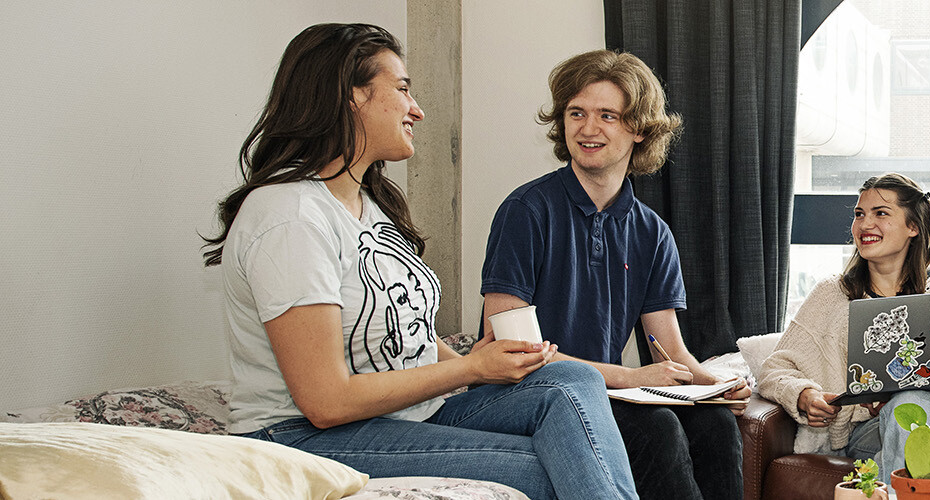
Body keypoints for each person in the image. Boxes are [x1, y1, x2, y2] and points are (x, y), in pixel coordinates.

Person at [203, 23, 637, 500]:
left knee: (571, 380)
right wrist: (471, 371)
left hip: (400, 417)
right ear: (352, 96)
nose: (418, 109)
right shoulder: (290, 216)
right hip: (297, 437)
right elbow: (324, 402)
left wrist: (481, 362)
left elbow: (400, 335)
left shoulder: (369, 206)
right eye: (403, 89)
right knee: (551, 468)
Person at [478, 49, 746, 500]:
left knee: (715, 423)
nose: (588, 128)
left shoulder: (652, 232)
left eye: (608, 115)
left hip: (603, 394)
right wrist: (633, 377)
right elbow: (514, 354)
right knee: (654, 427)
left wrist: (717, 386)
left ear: (639, 128)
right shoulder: (526, 211)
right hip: (528, 394)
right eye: (576, 113)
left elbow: (670, 348)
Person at [758, 173, 930, 489]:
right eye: (859, 214)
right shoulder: (831, 295)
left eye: (880, 213)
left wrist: (906, 391)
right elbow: (773, 370)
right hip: (872, 431)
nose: (864, 224)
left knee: (909, 405)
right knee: (906, 415)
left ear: (913, 227)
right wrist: (805, 395)